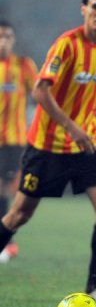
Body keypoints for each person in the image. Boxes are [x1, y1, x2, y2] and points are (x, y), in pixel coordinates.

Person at [0, 0, 96, 303]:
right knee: (19, 215)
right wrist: (73, 128)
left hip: (86, 145)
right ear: (84, 9)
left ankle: (94, 286)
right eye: (95, 6)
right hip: (48, 145)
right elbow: (41, 92)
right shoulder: (67, 45)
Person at [0, 20, 37, 263]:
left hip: (13, 140)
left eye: (8, 36)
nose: (3, 41)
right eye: (0, 36)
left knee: (3, 188)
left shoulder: (23, 66)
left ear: (13, 40)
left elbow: (40, 97)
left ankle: (7, 243)